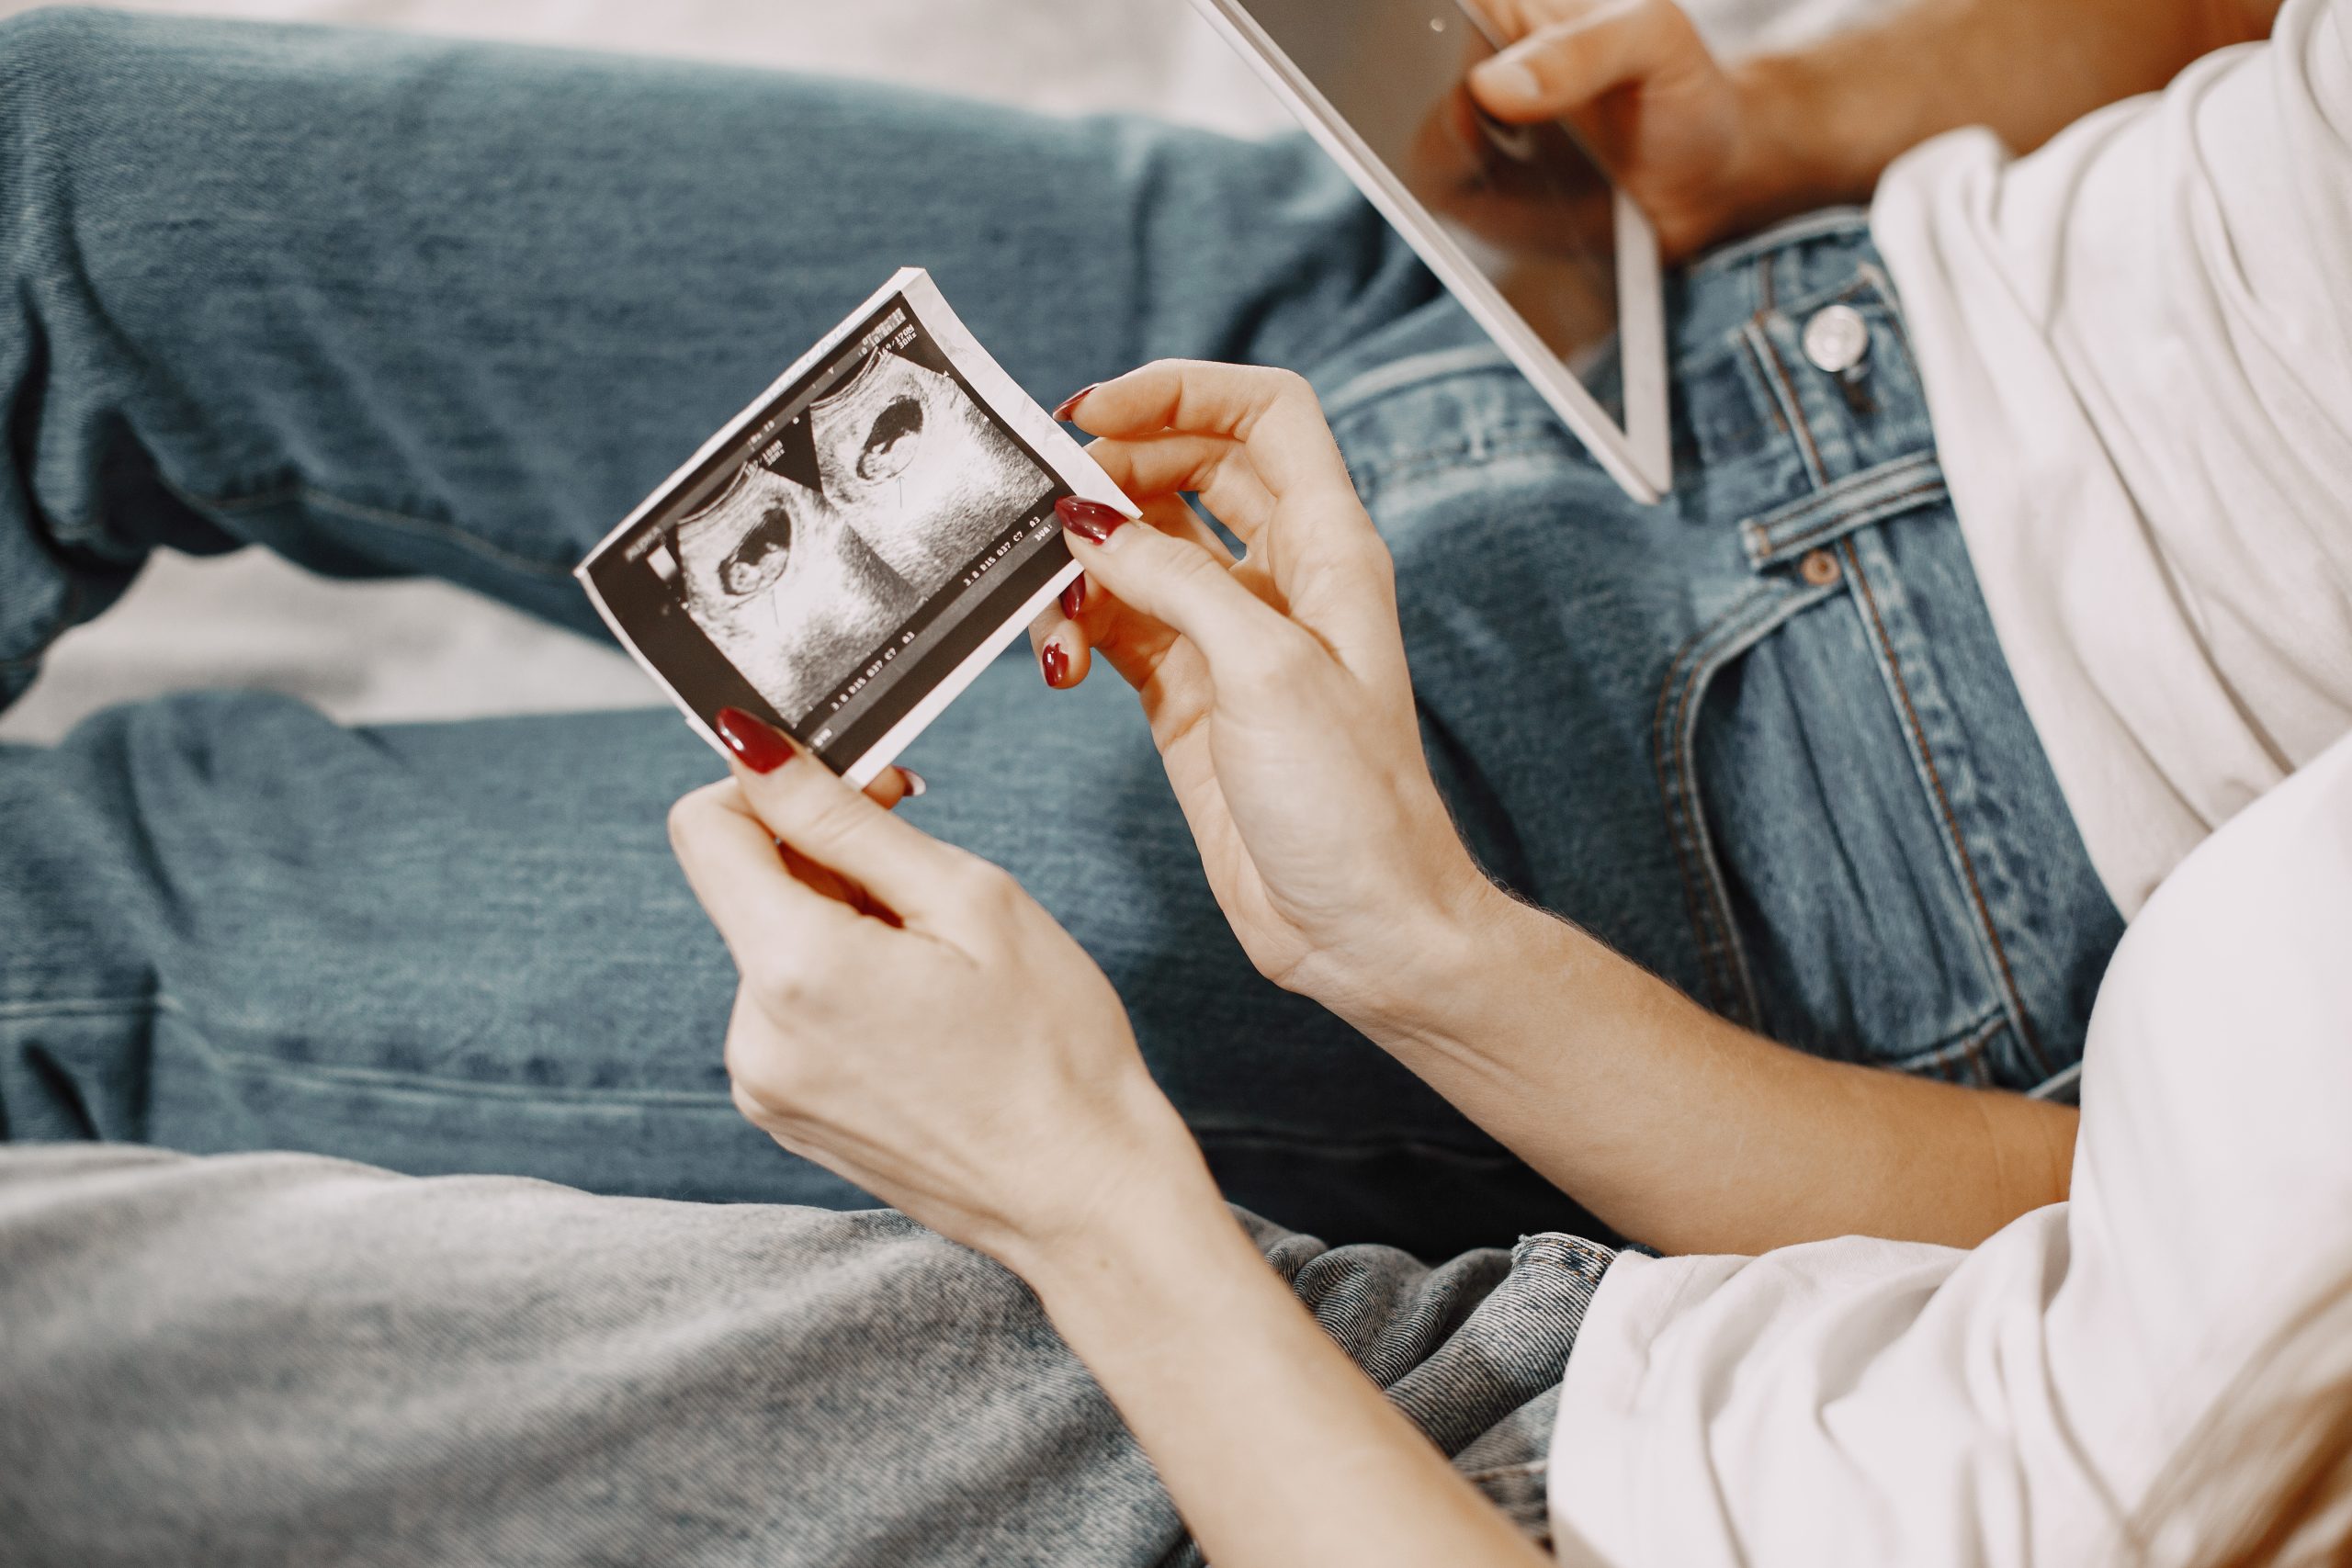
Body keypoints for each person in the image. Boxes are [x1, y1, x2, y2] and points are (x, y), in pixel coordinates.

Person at [0, 0, 2345, 1561]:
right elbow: (2119, 1220)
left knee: (97, 943)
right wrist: (1779, 121)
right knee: (63, 173)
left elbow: (2125, 1292)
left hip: (1832, 805)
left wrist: (1095, 1178)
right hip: (1697, 291)